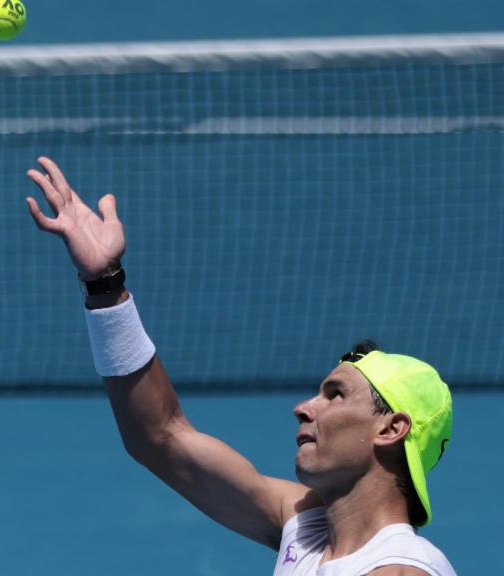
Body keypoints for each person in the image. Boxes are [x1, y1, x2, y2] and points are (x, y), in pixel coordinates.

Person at [25, 156, 457, 576]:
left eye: (336, 394)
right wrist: (106, 286)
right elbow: (159, 437)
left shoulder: (399, 570)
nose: (304, 407)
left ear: (390, 429)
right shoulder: (304, 527)